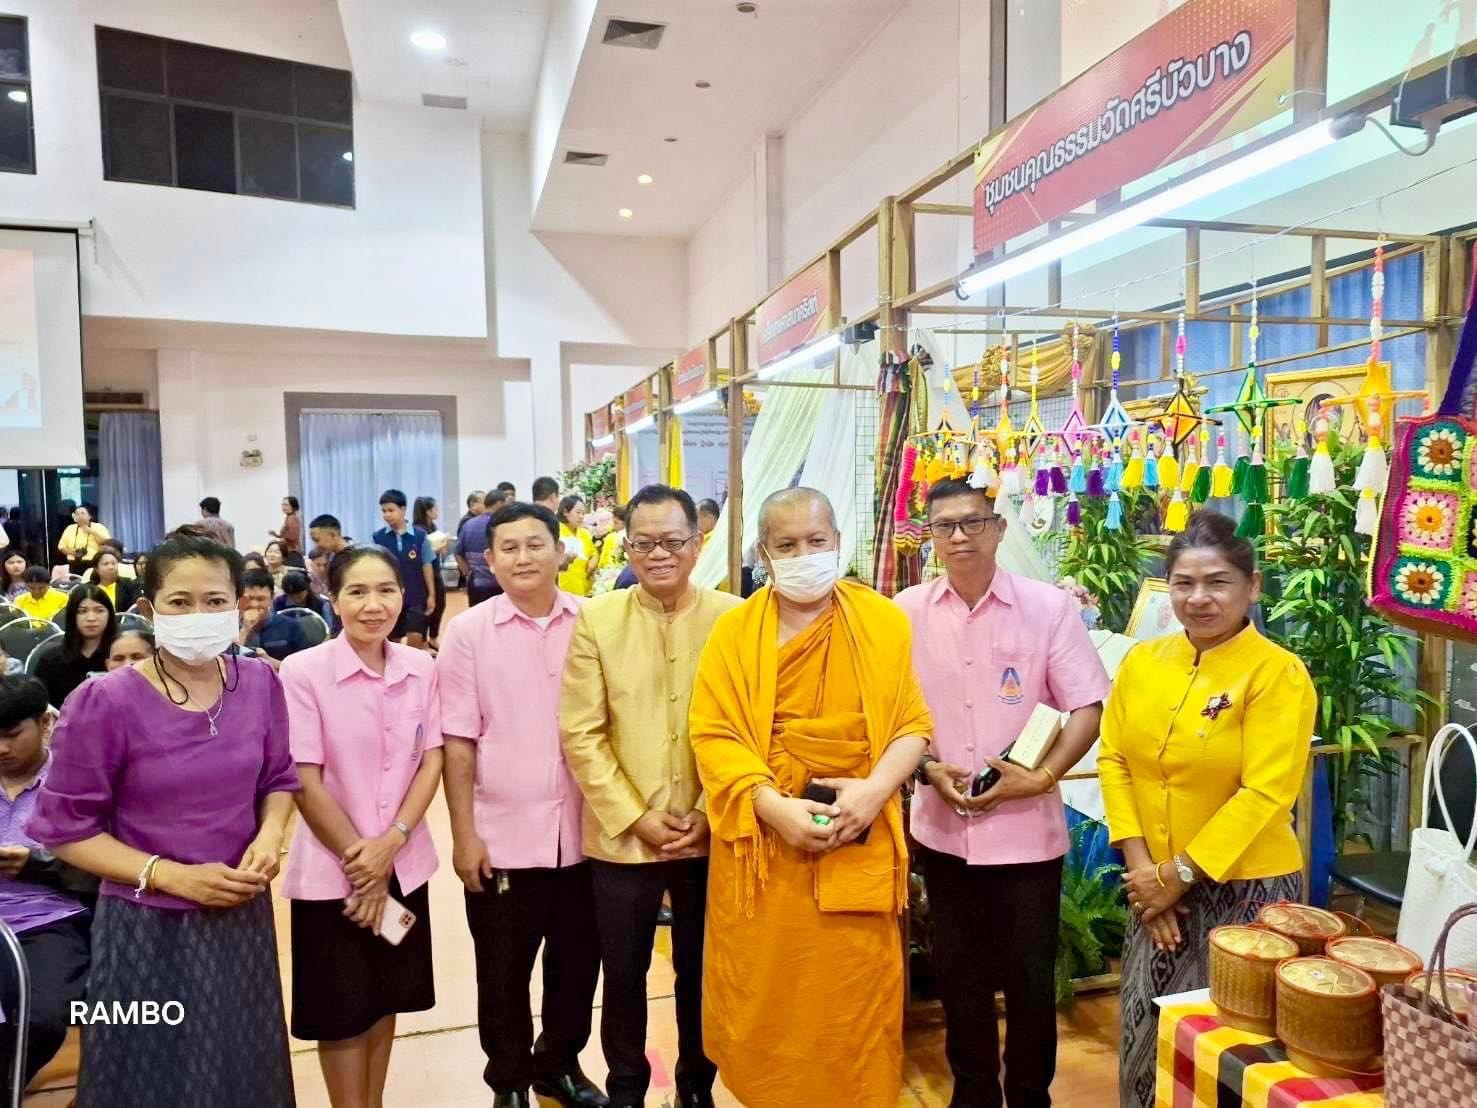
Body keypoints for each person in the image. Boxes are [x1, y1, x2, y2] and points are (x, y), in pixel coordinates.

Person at [28, 528, 299, 1107]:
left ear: (240, 604)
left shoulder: (259, 683)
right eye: (180, 602)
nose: (199, 614)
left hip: (239, 916)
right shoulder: (103, 702)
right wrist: (171, 875)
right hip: (143, 929)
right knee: (147, 1075)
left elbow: (279, 781)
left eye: (215, 601)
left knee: (240, 1065)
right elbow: (64, 830)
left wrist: (272, 835)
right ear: (150, 609)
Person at [686, 487, 931, 1108]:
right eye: (786, 545)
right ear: (763, 553)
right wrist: (772, 806)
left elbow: (912, 726)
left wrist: (876, 792)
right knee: (767, 999)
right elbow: (711, 735)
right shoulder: (735, 632)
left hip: (858, 840)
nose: (804, 555)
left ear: (837, 543)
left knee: (851, 1002)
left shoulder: (881, 622)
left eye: (816, 542)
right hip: (766, 852)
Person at [897, 478, 1110, 1108]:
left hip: (1027, 836)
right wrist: (927, 768)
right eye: (944, 526)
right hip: (941, 829)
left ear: (999, 528)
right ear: (929, 536)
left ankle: (1029, 1095)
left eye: (973, 523)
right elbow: (893, 715)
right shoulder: (905, 612)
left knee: (1028, 981)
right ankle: (973, 1094)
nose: (959, 537)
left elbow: (1086, 709)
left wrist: (1042, 778)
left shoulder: (1048, 609)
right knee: (958, 977)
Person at [1098, 511, 1315, 1108]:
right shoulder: (1144, 663)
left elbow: (1266, 792)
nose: (1199, 598)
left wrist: (1179, 876)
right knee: (1148, 1034)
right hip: (1156, 884)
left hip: (1247, 890)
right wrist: (1148, 877)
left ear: (1252, 587)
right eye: (1184, 583)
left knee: (1238, 1051)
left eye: (1217, 582)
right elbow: (1114, 760)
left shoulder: (1277, 674)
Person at [560, 484, 741, 1108]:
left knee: (703, 970)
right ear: (627, 545)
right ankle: (628, 1090)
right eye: (644, 543)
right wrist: (636, 818)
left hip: (710, 832)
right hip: (621, 838)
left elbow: (751, 727)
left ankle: (697, 1086)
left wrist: (712, 812)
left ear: (697, 543)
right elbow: (581, 733)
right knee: (625, 972)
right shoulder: (597, 620)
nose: (658, 554)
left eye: (672, 541)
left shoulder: (734, 616)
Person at [440, 502, 607, 1108]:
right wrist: (464, 836)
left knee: (577, 963)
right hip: (501, 836)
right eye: (507, 548)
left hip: (587, 834)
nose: (523, 558)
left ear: (560, 551)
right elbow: (457, 743)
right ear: (489, 560)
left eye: (535, 545)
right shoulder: (467, 634)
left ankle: (559, 1065)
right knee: (502, 973)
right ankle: (507, 1080)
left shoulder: (595, 620)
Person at [280, 546, 443, 1108]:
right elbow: (304, 776)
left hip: (404, 866)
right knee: (342, 1011)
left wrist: (390, 846)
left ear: (403, 595)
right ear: (333, 597)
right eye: (357, 592)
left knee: (385, 998)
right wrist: (364, 865)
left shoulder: (421, 668)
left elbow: (433, 761)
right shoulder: (304, 672)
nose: (373, 605)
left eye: (386, 590)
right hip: (335, 876)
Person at [0, 675, 98, 1088]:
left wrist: (38, 864)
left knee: (38, 1019)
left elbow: (110, 866)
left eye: (10, 735)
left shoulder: (78, 782)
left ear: (45, 723)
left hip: (49, 920)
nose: (1, 749)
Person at [32, 584, 117, 708]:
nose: (91, 618)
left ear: (109, 614)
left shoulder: (122, 656)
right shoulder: (51, 659)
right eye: (82, 611)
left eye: (99, 610)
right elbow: (38, 704)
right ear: (72, 616)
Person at [373, 490, 436, 650]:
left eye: (391, 510)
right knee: (392, 642)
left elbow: (427, 565)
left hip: (416, 596)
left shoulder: (420, 536)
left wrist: (431, 594)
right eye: (384, 511)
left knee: (415, 638)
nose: (387, 515)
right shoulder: (377, 538)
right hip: (390, 598)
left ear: (403, 509)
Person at [457, 490, 504, 608]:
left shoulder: (468, 525)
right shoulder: (500, 525)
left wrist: (467, 573)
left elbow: (457, 553)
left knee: (477, 621)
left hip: (476, 585)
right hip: (499, 585)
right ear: (499, 504)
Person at [414, 496, 450, 644]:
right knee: (427, 606)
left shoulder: (432, 527)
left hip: (436, 570)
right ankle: (423, 639)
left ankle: (433, 638)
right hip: (424, 574)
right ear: (428, 511)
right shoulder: (418, 530)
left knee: (440, 604)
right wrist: (436, 549)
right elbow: (419, 555)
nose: (437, 511)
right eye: (435, 508)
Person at [557, 496, 598, 598]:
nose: (581, 516)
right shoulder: (556, 531)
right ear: (566, 512)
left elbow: (593, 552)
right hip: (564, 587)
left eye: (583, 513)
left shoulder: (584, 533)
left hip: (584, 586)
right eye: (578, 512)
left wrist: (593, 561)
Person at [57, 504, 110, 577]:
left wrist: (92, 532)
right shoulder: (70, 528)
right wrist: (74, 553)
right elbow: (61, 547)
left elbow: (106, 544)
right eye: (77, 514)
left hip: (93, 563)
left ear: (89, 516)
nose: (79, 516)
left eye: (83, 513)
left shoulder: (99, 527)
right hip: (74, 563)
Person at [91, 548, 142, 613]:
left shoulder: (130, 586)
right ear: (96, 569)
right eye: (106, 564)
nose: (111, 567)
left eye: (114, 563)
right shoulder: (88, 588)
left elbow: (136, 610)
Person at [271, 496, 304, 564]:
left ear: (293, 506)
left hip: (291, 552)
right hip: (288, 551)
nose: (283, 507)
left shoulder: (291, 518)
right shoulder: (289, 517)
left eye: (286, 505)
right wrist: (277, 535)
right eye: (282, 505)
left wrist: (279, 542)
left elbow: (293, 537)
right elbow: (287, 535)